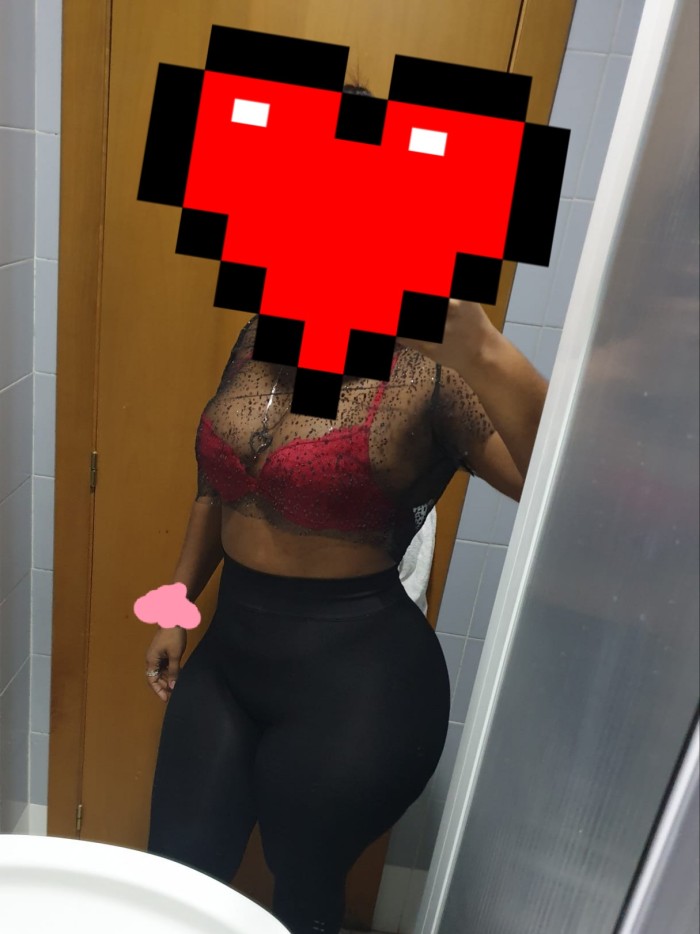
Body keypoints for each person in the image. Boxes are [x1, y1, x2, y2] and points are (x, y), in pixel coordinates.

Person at [143, 89, 547, 934]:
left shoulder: (430, 367)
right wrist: (177, 603)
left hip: (358, 683)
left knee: (303, 898)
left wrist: (482, 348)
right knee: (175, 871)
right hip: (230, 653)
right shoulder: (259, 336)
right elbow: (219, 484)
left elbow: (554, 485)